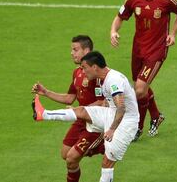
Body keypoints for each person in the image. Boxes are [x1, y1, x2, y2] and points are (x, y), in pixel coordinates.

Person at [32, 51, 139, 182]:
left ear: (94, 67)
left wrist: (111, 129)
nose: (83, 71)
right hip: (111, 113)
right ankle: (43, 114)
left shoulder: (113, 80)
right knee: (82, 110)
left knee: (107, 163)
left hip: (126, 122)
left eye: (84, 67)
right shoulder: (105, 78)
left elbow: (121, 107)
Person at [110, 0, 177, 141]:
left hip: (157, 50)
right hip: (138, 50)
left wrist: (172, 34)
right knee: (140, 87)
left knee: (140, 89)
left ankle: (138, 127)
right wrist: (113, 31)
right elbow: (120, 17)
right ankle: (156, 116)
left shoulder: (167, 0)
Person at [31, 35, 104, 182]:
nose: (72, 53)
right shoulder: (77, 72)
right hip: (80, 120)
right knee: (65, 154)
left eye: (75, 49)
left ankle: (104, 145)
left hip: (96, 123)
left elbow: (103, 102)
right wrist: (46, 92)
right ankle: (98, 147)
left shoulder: (96, 74)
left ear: (87, 50)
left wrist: (80, 109)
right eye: (72, 49)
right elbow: (70, 97)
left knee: (71, 158)